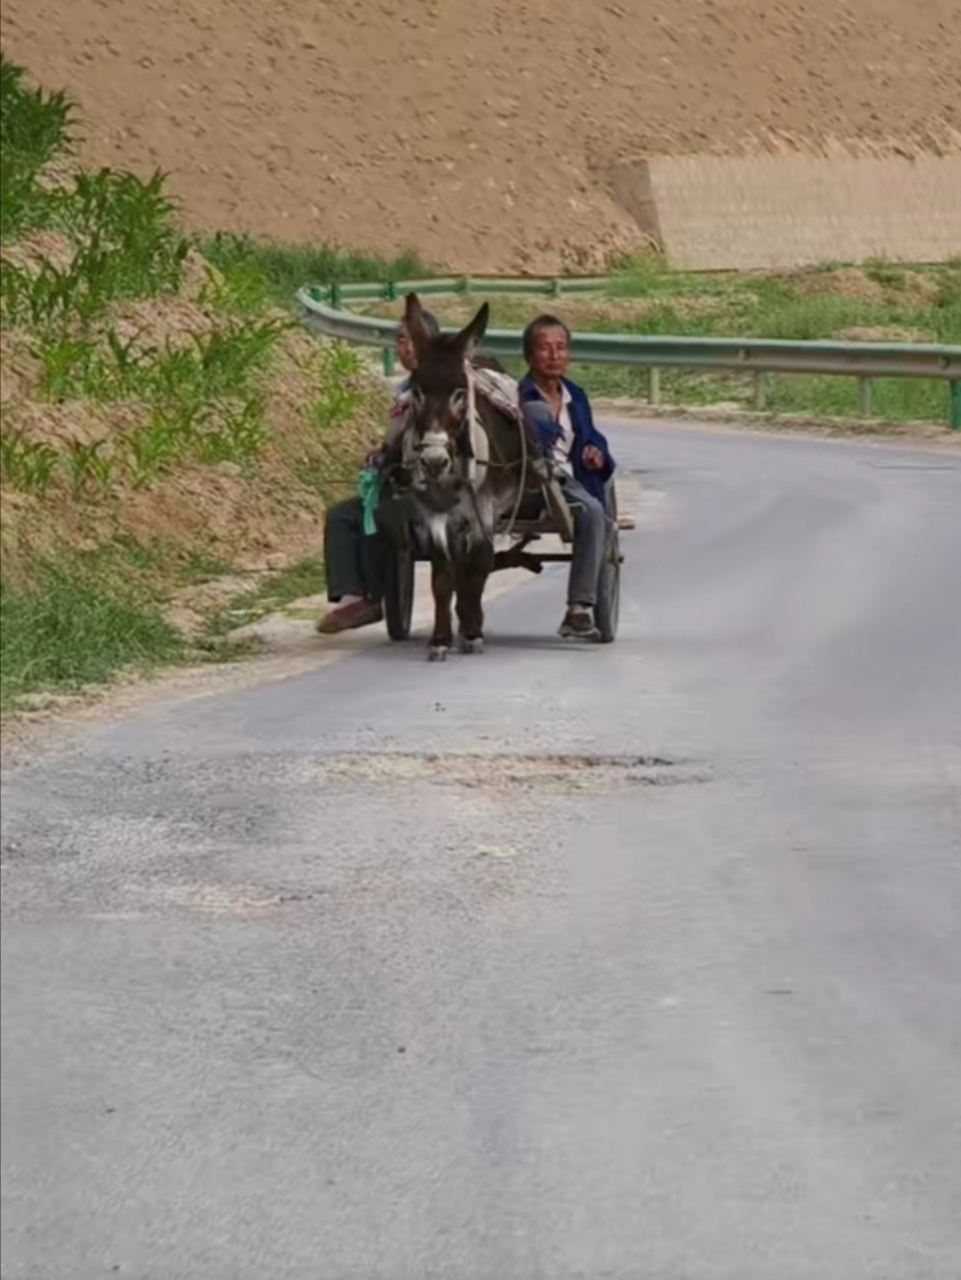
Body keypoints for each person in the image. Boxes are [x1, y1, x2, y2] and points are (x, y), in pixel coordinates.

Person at [315, 309, 441, 634]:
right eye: (401, 340)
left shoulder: (440, 391)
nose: (407, 348)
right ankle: (353, 597)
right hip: (403, 483)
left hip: (437, 492)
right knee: (343, 516)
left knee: (384, 514)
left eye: (415, 341)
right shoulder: (405, 390)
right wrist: (383, 452)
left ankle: (373, 595)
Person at [518, 314, 616, 640]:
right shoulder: (518, 398)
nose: (554, 355)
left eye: (560, 347)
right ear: (529, 356)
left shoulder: (576, 396)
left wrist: (595, 452)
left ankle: (579, 608)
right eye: (545, 348)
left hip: (567, 480)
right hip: (530, 481)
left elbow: (591, 435)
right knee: (591, 511)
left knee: (593, 512)